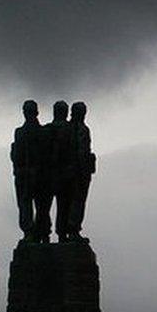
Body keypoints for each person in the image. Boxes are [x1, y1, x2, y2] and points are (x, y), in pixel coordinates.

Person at [10, 100, 51, 242]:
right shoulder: (37, 132)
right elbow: (16, 155)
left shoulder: (25, 132)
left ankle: (37, 233)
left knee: (36, 206)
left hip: (35, 174)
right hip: (29, 174)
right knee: (35, 206)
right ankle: (37, 233)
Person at [46, 100, 76, 242]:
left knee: (44, 207)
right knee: (63, 206)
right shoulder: (71, 130)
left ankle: (43, 234)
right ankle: (62, 234)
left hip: (50, 174)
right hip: (64, 174)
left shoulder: (46, 129)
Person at [67, 101, 96, 242]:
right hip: (79, 172)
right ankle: (73, 230)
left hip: (71, 171)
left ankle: (69, 231)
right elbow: (82, 152)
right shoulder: (82, 130)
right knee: (77, 201)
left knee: (67, 203)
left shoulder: (69, 128)